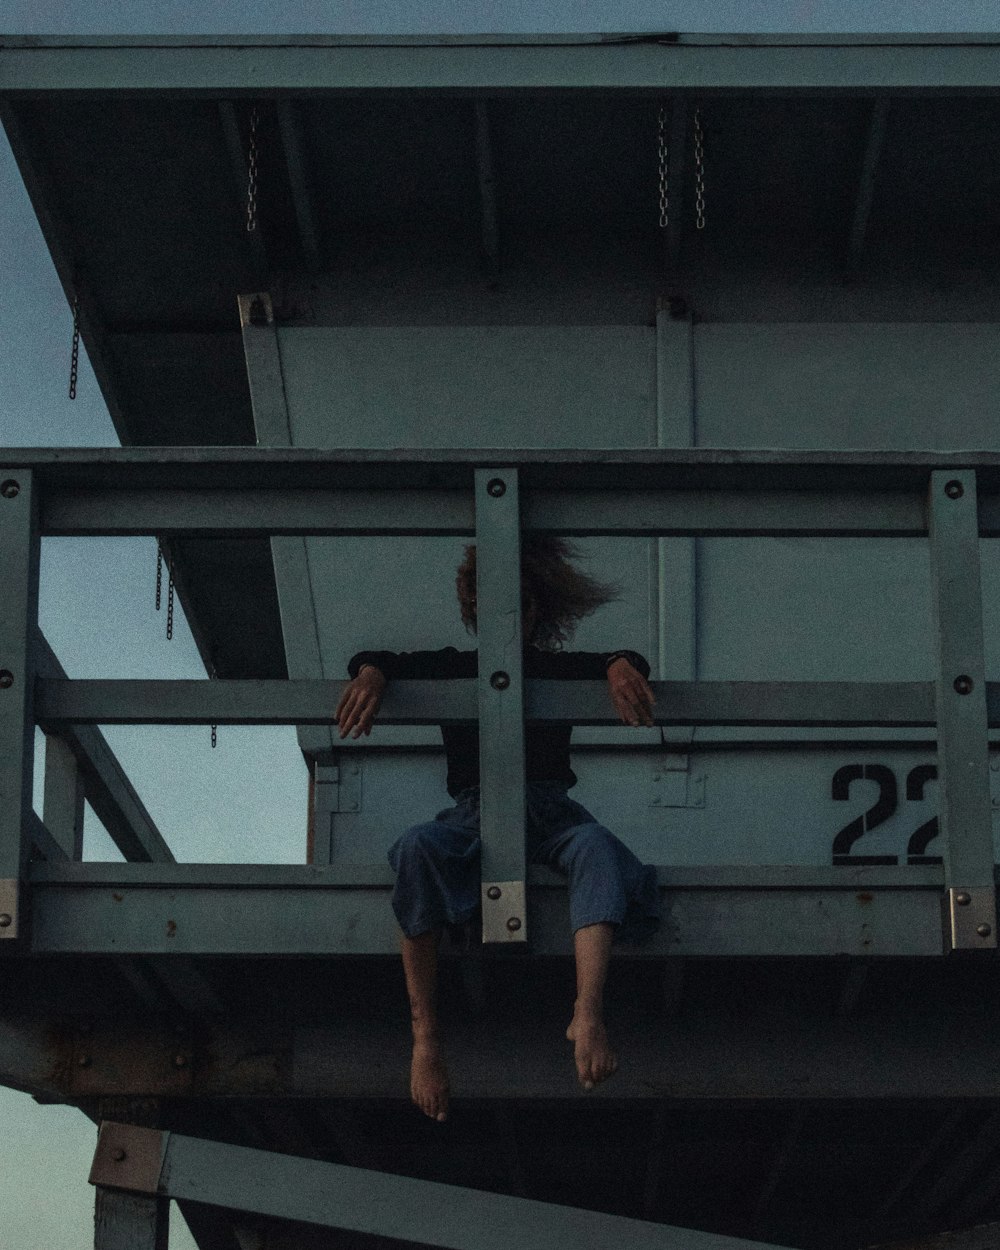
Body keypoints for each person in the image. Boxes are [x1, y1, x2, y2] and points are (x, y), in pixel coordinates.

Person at [334, 537, 659, 1122]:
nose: (506, 612)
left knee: (598, 849)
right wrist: (372, 672)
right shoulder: (455, 666)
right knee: (414, 848)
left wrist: (618, 664)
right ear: (473, 606)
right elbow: (377, 655)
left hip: (551, 813)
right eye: (490, 599)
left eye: (520, 601)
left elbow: (623, 656)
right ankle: (427, 1038)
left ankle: (588, 1013)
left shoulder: (555, 667)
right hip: (472, 816)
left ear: (536, 610)